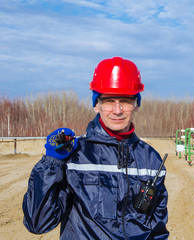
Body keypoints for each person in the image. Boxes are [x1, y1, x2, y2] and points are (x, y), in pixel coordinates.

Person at [22, 57, 169, 239]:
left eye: (125, 100)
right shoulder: (75, 156)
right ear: (96, 105)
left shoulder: (152, 161)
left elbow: (158, 231)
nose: (117, 110)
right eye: (108, 101)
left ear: (136, 104)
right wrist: (51, 163)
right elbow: (38, 223)